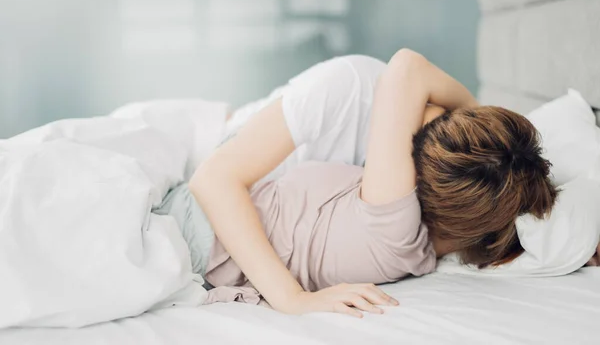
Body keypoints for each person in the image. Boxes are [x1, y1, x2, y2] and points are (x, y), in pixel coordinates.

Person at [158, 49, 558, 318]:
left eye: (429, 127)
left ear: (414, 175)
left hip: (206, 222)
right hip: (233, 170)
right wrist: (487, 135)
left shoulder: (394, 221)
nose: (435, 108)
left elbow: (407, 68)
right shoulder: (456, 234)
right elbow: (216, 174)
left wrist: (292, 300)